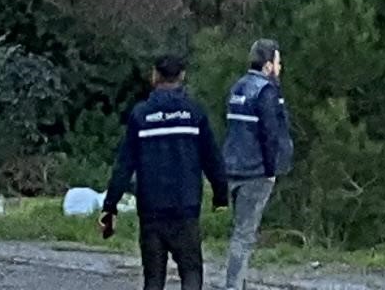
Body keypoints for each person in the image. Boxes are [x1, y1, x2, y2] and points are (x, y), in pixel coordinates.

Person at [100, 51, 228, 290]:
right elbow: (212, 159)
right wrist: (221, 197)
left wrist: (110, 206)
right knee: (191, 272)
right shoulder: (194, 113)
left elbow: (124, 165)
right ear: (182, 76)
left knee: (153, 278)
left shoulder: (140, 115)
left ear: (154, 76)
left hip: (151, 210)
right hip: (185, 208)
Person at [220, 40, 293, 290]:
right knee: (244, 234)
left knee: (240, 230)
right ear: (268, 65)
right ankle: (233, 285)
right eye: (278, 62)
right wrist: (271, 170)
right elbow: (270, 133)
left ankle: (237, 283)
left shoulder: (238, 87)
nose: (280, 68)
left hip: (232, 167)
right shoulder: (266, 91)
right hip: (255, 171)